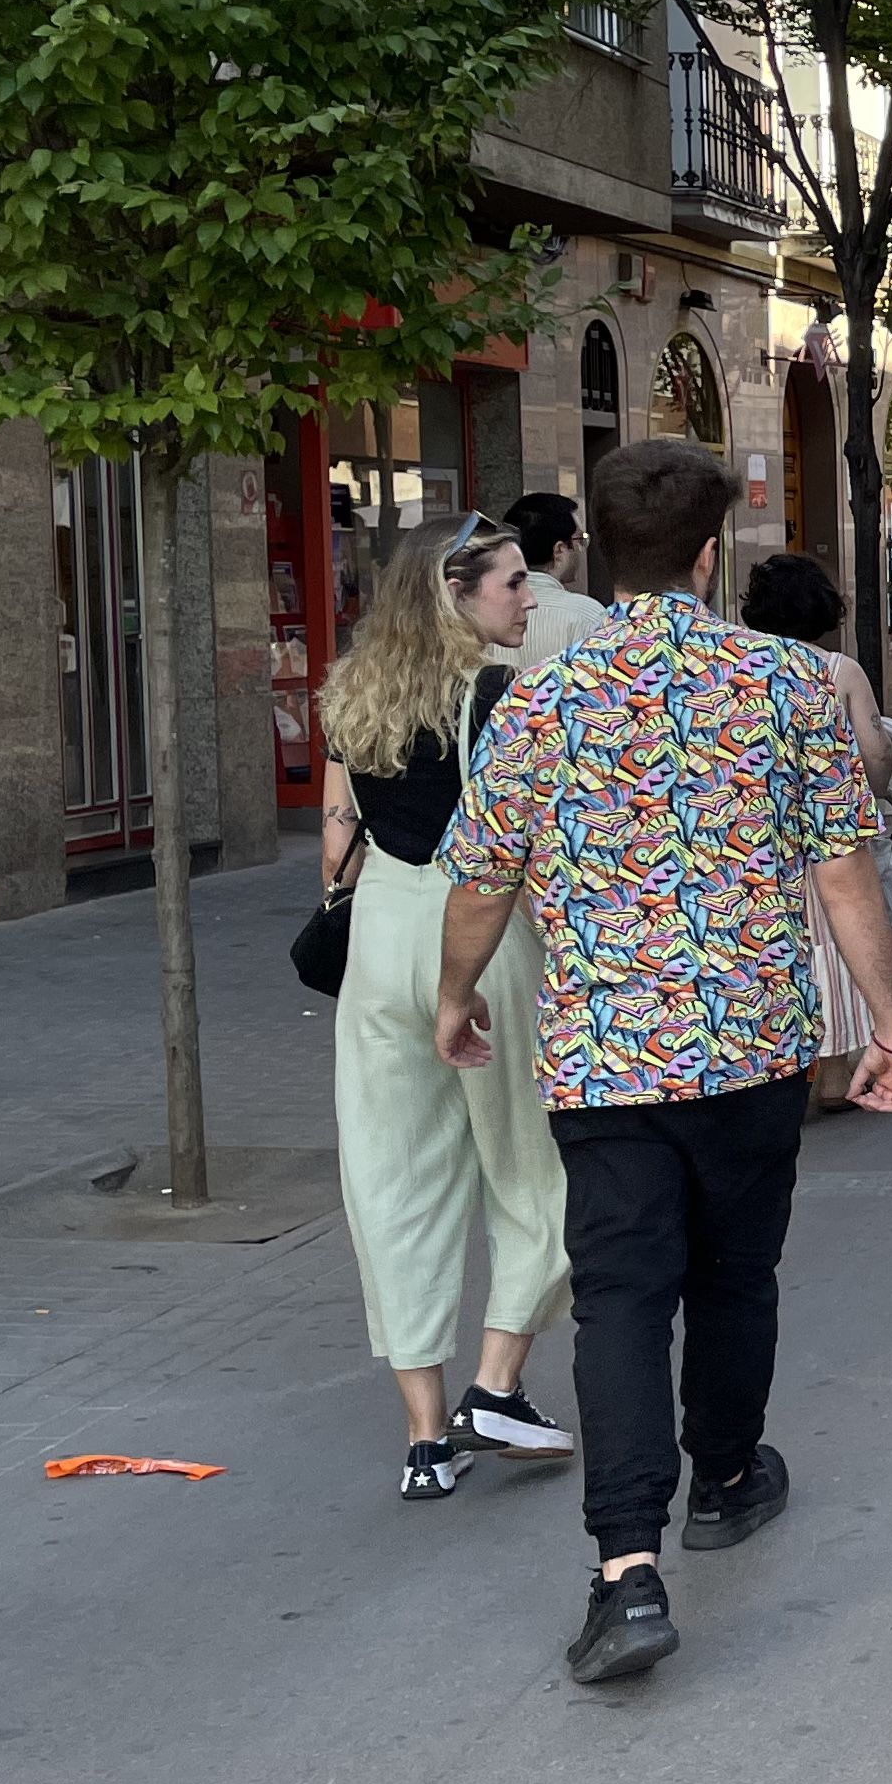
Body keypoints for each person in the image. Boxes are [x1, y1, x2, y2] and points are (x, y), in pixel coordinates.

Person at [436, 438, 892, 1688]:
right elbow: (843, 868)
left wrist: (453, 1000)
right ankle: (730, 1476)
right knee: (737, 1271)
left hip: (602, 1059)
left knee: (621, 1298)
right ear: (714, 553)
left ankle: (626, 1573)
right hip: (755, 1046)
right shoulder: (786, 685)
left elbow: (483, 885)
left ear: (594, 551)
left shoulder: (538, 700)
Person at [318, 514, 573, 1500]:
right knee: (535, 1170)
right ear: (454, 595)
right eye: (511, 583)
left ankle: (425, 1439)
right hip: (479, 937)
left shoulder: (349, 697)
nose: (527, 596)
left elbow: (336, 833)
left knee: (390, 1180)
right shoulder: (503, 702)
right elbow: (531, 853)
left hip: (379, 935)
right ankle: (496, 1385)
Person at [740, 550, 892, 1110]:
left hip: (763, 836)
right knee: (830, 948)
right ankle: (833, 1079)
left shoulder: (745, 666)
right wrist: (874, 792)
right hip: (827, 835)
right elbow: (875, 750)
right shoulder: (838, 670)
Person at [504, 491, 610, 661]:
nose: (581, 550)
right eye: (579, 540)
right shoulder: (588, 615)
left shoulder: (485, 610)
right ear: (560, 550)